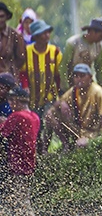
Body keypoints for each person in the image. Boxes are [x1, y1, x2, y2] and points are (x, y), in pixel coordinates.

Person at [45, 63, 102, 150]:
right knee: (50, 115)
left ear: (90, 77)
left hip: (91, 132)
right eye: (76, 76)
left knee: (81, 145)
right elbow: (58, 103)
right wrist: (62, 104)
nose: (79, 79)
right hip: (77, 128)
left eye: (82, 76)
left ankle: (81, 145)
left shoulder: (98, 93)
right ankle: (65, 145)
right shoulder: (74, 90)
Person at [20, 19, 61, 153]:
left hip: (49, 95)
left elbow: (58, 75)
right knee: (35, 126)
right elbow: (23, 73)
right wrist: (25, 86)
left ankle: (47, 148)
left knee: (50, 120)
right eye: (43, 33)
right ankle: (38, 152)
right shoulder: (27, 52)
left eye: (47, 32)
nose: (47, 36)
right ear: (36, 36)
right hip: (32, 97)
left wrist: (59, 95)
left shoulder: (54, 52)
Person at [0, 86, 39, 216]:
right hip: (29, 163)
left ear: (18, 101)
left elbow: (2, 134)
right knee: (24, 196)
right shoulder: (34, 117)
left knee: (19, 198)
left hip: (17, 163)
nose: (9, 103)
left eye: (11, 100)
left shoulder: (16, 116)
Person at [62, 17, 102, 91]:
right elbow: (63, 66)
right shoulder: (73, 43)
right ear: (92, 32)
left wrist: (101, 88)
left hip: (87, 84)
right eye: (100, 36)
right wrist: (65, 87)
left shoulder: (98, 47)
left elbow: (99, 69)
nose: (101, 39)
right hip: (71, 84)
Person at [0, 1, 26, 77]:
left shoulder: (15, 35)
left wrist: (10, 70)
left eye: (2, 16)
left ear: (7, 17)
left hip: (9, 79)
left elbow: (21, 58)